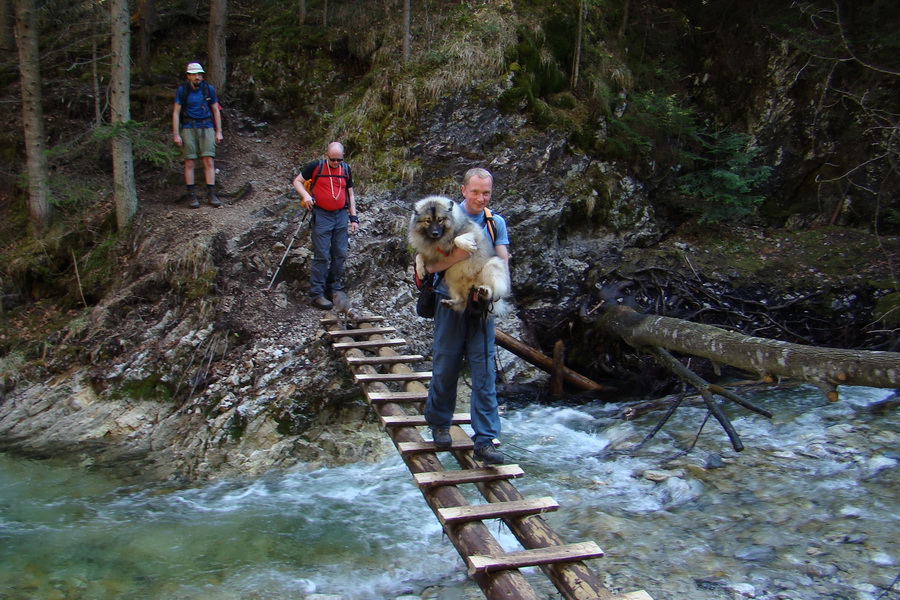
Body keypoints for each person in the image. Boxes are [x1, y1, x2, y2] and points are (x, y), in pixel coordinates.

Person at [421, 168, 510, 465]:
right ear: (463, 190)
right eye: (475, 192)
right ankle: (439, 424)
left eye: (486, 193)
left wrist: (495, 286)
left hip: (480, 304)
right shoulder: (444, 216)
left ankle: (485, 440)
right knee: (445, 364)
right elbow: (429, 263)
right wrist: (459, 255)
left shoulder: (495, 222)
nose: (480, 198)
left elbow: (502, 259)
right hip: (449, 299)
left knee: (484, 374)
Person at [292, 142, 359, 309]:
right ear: (326, 156)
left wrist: (353, 217)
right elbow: (297, 181)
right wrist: (306, 196)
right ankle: (317, 293)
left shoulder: (346, 169)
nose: (336, 163)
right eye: (333, 159)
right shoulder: (317, 167)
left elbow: (350, 194)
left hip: (341, 215)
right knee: (321, 254)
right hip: (322, 214)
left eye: (339, 159)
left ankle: (333, 287)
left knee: (340, 253)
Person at [172, 62, 224, 209]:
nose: (197, 77)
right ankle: (191, 194)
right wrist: (176, 134)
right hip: (189, 126)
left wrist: (218, 131)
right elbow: (176, 112)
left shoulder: (208, 89)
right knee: (190, 161)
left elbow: (215, 109)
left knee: (209, 160)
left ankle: (211, 193)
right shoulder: (183, 91)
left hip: (206, 125)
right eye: (194, 74)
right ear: (188, 76)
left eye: (199, 74)